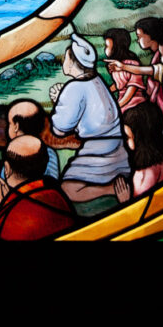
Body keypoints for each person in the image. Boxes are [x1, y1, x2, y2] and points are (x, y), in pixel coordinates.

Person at [49, 32, 130, 203]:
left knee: (68, 190)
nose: (64, 61)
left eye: (66, 57)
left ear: (73, 63)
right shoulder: (97, 80)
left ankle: (111, 189)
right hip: (118, 148)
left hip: (98, 152)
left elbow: (60, 129)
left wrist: (59, 102)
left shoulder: (74, 87)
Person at [0, 135, 76, 241]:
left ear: (7, 169)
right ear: (45, 165)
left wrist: (4, 207)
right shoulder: (57, 198)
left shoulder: (9, 218)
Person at [113, 101, 163, 202]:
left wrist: (126, 201)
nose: (124, 143)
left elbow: (142, 210)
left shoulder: (144, 176)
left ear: (140, 139)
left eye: (127, 138)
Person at [0, 98, 60, 180]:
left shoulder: (11, 152)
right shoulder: (50, 153)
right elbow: (52, 181)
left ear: (16, 126)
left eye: (10, 123)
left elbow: (3, 182)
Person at [103, 27, 147, 113]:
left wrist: (117, 106)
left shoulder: (132, 65)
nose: (105, 49)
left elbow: (131, 90)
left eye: (107, 46)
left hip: (135, 104)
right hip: (121, 102)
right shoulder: (115, 65)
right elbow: (118, 85)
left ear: (117, 46)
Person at [132, 16, 163, 115]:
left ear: (150, 35)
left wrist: (123, 66)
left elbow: (152, 71)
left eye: (139, 36)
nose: (138, 40)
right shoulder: (156, 55)